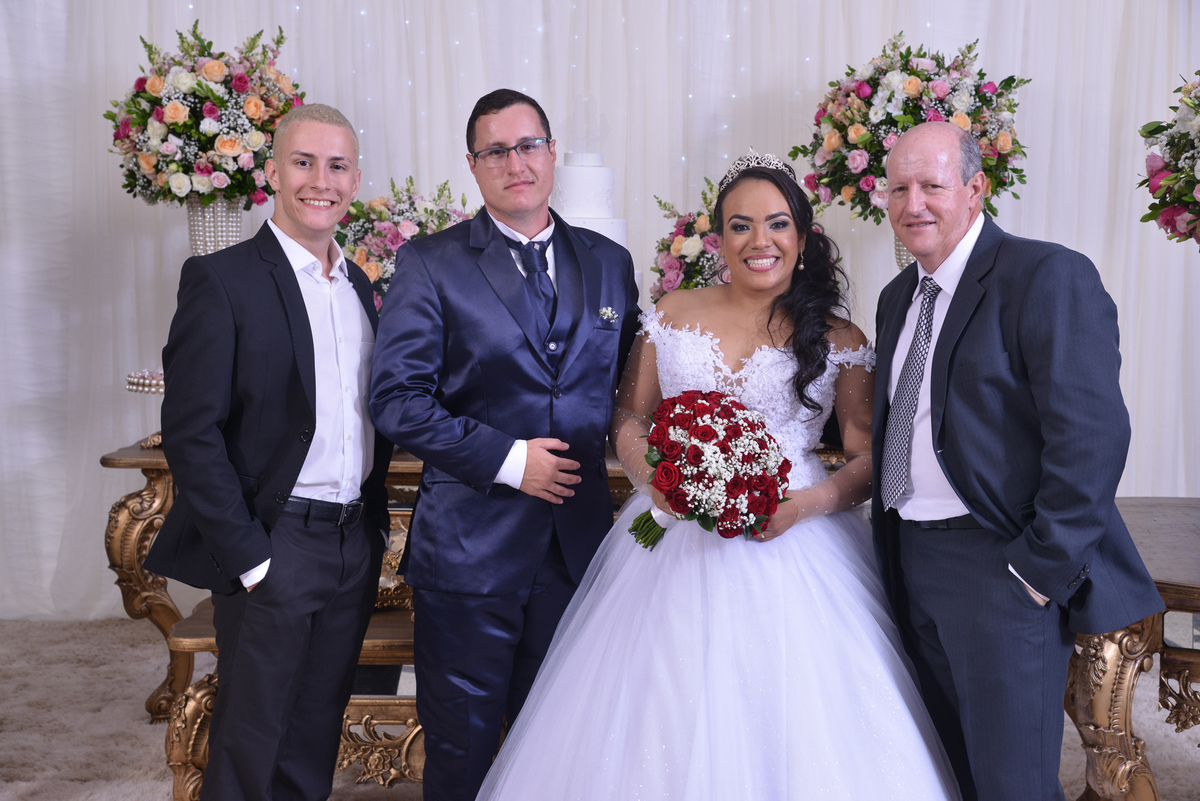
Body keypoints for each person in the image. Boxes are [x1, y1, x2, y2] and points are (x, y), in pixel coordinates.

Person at [473, 152, 962, 800]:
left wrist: (805, 503)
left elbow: (870, 456)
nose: (760, 241)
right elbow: (629, 417)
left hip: (797, 537)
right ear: (719, 238)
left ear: (802, 235)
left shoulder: (839, 335)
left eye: (778, 224)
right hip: (668, 537)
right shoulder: (674, 311)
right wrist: (656, 478)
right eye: (740, 225)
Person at [872, 121, 1164, 801]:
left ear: (975, 188)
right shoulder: (896, 297)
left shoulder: (1045, 274)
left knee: (1013, 783)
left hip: (999, 567)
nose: (913, 204)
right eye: (899, 189)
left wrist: (1037, 570)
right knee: (946, 773)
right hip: (910, 559)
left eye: (932, 186)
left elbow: (1091, 436)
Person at [368, 89, 640, 801]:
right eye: (496, 151)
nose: (515, 164)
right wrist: (511, 460)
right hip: (469, 553)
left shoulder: (610, 263)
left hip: (577, 550)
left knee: (563, 750)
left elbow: (630, 393)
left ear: (551, 152)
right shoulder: (430, 263)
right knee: (462, 753)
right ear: (473, 164)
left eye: (528, 146)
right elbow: (396, 400)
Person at [143, 104, 393, 801]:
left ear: (355, 180)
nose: (321, 180)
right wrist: (251, 557)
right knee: (251, 744)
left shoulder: (360, 286)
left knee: (313, 735)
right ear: (274, 172)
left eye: (337, 166)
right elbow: (191, 431)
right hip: (275, 540)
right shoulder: (221, 279)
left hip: (350, 543)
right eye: (304, 162)